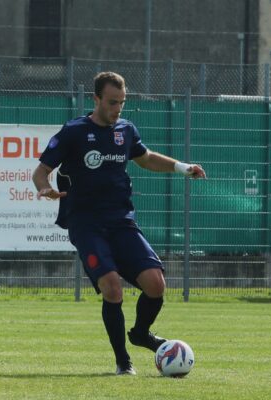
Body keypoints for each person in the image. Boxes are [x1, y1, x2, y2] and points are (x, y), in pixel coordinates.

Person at [33, 71, 206, 375]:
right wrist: (44, 187)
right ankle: (122, 361)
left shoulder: (125, 130)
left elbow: (146, 158)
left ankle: (141, 333)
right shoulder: (74, 131)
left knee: (155, 284)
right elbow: (41, 170)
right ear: (96, 98)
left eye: (122, 103)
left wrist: (182, 167)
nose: (117, 109)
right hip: (85, 223)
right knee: (112, 287)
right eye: (112, 102)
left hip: (121, 220)